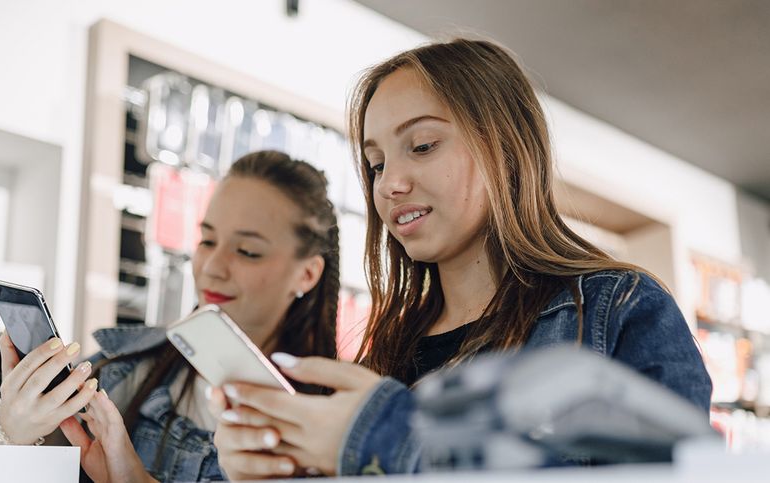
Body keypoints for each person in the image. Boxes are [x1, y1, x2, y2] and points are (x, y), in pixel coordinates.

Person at [206, 38, 713, 479]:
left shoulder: (617, 310)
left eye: (422, 146)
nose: (390, 184)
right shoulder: (384, 351)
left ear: (506, 148)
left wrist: (386, 436)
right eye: (376, 163)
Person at [0, 150, 341, 482]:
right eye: (207, 240)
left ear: (306, 273)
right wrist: (9, 429)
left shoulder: (337, 422)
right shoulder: (126, 370)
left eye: (246, 251)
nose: (212, 266)